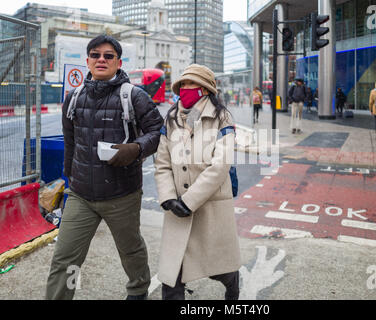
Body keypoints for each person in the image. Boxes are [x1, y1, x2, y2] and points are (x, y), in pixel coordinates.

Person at [45, 35, 164, 300]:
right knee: (65, 258)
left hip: (122, 193)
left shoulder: (134, 96)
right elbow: (70, 142)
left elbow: (158, 131)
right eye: (95, 55)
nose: (101, 59)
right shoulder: (73, 98)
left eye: (108, 56)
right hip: (81, 194)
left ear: (118, 62)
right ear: (87, 60)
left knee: (130, 249)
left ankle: (137, 290)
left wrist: (136, 148)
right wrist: (68, 182)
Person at [154, 64, 241, 300]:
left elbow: (220, 165)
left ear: (204, 89)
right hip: (176, 210)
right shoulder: (171, 118)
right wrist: (168, 197)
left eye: (191, 84)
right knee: (172, 274)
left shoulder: (221, 117)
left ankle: (233, 286)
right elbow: (162, 163)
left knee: (220, 268)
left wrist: (190, 201)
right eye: (183, 84)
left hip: (210, 205)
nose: (185, 89)